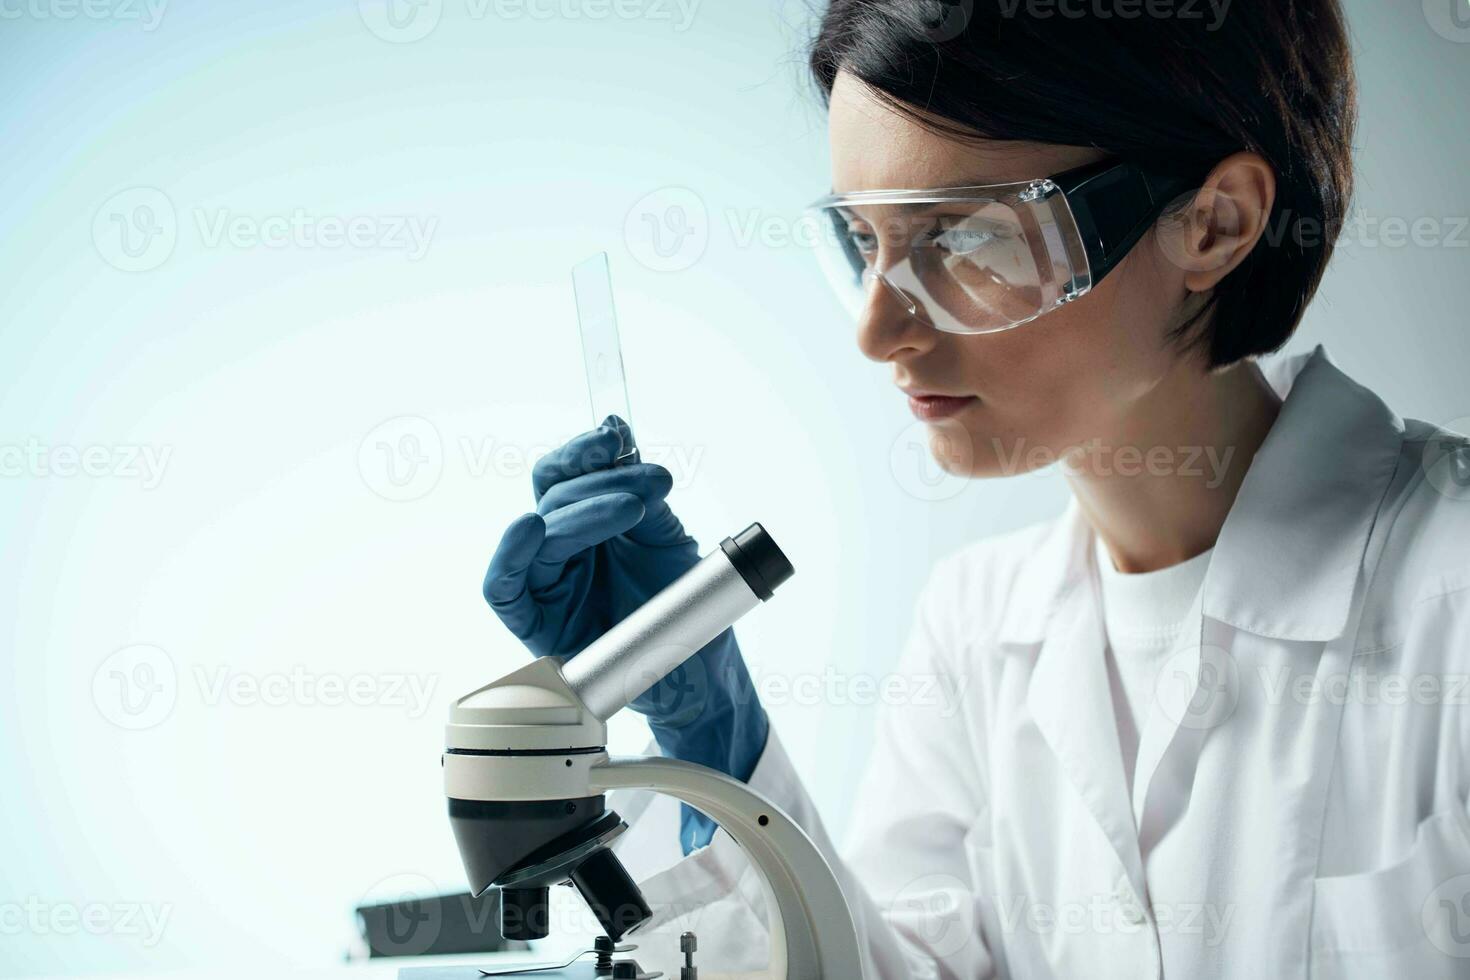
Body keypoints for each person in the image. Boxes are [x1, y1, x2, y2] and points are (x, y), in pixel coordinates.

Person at [482, 1, 1470, 976]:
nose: (878, 331)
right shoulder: (975, 626)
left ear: (1214, 224)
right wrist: (712, 736)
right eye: (866, 242)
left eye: (965, 238)